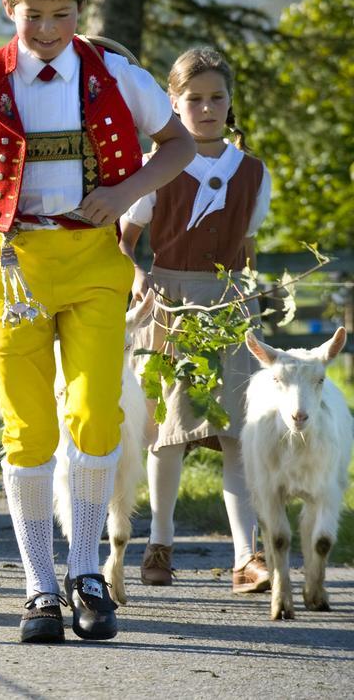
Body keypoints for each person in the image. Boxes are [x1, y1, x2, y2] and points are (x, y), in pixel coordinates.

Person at [0, 0, 195, 644]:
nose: (47, 32)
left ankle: (87, 574)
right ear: (9, 8)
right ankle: (38, 589)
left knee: (95, 413)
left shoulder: (117, 73)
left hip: (92, 264)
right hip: (13, 263)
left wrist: (125, 192)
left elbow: (174, 146)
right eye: (33, 16)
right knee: (28, 426)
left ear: (79, 10)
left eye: (60, 15)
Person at [120, 47, 272, 595]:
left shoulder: (253, 172)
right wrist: (139, 278)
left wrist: (250, 295)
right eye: (194, 99)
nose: (206, 109)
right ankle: (159, 541)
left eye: (216, 98)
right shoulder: (157, 167)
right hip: (171, 300)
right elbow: (127, 241)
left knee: (238, 432)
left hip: (229, 305)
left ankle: (244, 555)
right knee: (168, 432)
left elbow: (248, 247)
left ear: (230, 104)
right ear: (173, 103)